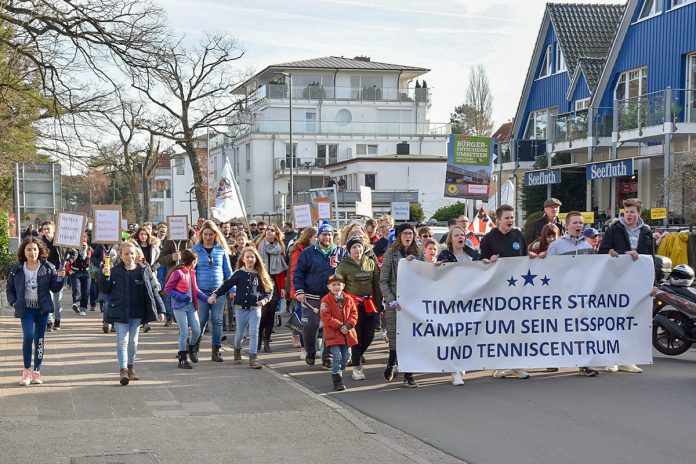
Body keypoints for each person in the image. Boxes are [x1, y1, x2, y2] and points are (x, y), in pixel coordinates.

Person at [599, 198, 654, 374]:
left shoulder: (646, 232)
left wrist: (654, 284)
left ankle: (627, 359)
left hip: (637, 284)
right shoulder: (614, 228)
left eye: (632, 212)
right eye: (626, 212)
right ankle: (611, 359)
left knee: (632, 321)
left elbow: (652, 259)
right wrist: (618, 253)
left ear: (639, 213)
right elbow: (602, 251)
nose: (628, 215)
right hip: (615, 282)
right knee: (613, 321)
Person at [99, 241, 166, 385]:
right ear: (121, 256)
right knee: (122, 340)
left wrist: (161, 309)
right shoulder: (115, 270)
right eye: (126, 254)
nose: (129, 256)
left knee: (133, 341)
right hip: (119, 310)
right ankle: (123, 370)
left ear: (136, 255)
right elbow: (105, 290)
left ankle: (131, 367)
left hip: (137, 311)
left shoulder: (143, 270)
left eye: (131, 253)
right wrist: (104, 275)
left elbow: (153, 290)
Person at [545, 211, 599, 377]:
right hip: (561, 295)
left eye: (581, 223)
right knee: (558, 329)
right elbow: (548, 270)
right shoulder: (556, 246)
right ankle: (553, 360)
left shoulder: (588, 247)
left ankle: (584, 364)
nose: (578, 226)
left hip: (582, 295)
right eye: (575, 223)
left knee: (582, 330)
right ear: (567, 225)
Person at [479, 205, 530, 379]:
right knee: (501, 330)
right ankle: (500, 365)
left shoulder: (518, 235)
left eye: (512, 218)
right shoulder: (488, 238)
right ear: (498, 220)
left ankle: (516, 365)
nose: (510, 221)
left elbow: (524, 257)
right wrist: (488, 260)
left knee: (518, 329)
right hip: (498, 293)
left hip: (518, 292)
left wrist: (534, 257)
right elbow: (480, 262)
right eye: (506, 218)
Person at [7, 237, 66, 386]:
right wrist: (14, 302)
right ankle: (26, 371)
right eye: (28, 249)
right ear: (24, 251)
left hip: (42, 309)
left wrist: (60, 278)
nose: (32, 252)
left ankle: (37, 371)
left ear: (39, 251)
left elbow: (55, 288)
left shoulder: (48, 267)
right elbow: (10, 288)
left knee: (39, 339)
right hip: (26, 308)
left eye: (35, 249)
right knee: (28, 337)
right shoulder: (17, 270)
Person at [209, 246, 274, 369]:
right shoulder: (239, 274)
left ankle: (253, 358)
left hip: (255, 309)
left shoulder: (261, 274)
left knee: (254, 333)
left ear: (256, 259)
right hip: (240, 309)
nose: (250, 259)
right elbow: (226, 285)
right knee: (240, 334)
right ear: (243, 259)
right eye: (247, 257)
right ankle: (237, 350)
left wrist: (264, 300)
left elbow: (269, 290)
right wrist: (215, 294)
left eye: (252, 257)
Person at [293, 221, 346, 368]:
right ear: (318, 236)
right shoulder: (308, 252)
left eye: (329, 234)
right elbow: (298, 273)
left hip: (332, 297)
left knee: (331, 327)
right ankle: (310, 351)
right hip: (311, 296)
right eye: (324, 234)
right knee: (310, 326)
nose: (327, 237)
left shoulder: (340, 252)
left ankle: (327, 357)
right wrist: (299, 290)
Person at [379, 223, 421, 387]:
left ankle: (408, 374)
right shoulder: (391, 253)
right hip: (395, 303)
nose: (408, 236)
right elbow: (383, 281)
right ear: (398, 236)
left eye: (410, 233)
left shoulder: (418, 253)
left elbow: (426, 273)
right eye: (404, 233)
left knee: (410, 338)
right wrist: (391, 300)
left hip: (413, 303)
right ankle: (391, 361)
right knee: (395, 337)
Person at [336, 235, 382, 381]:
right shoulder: (343, 265)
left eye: (359, 246)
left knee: (369, 335)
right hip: (352, 306)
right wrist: (340, 306)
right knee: (357, 336)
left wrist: (379, 305)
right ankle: (357, 367)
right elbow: (338, 287)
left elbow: (376, 284)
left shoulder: (370, 262)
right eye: (354, 247)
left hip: (369, 304)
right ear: (349, 250)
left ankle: (356, 354)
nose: (358, 249)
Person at [191, 220, 233, 362]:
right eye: (206, 234)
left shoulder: (221, 250)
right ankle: (195, 348)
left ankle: (216, 351)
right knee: (201, 321)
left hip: (218, 291)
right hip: (201, 292)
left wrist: (232, 288)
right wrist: (193, 290)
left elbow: (228, 271)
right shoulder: (195, 250)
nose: (208, 237)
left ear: (215, 234)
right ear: (201, 235)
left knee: (217, 320)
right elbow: (192, 272)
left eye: (211, 234)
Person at [163, 249, 205, 369]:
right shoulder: (178, 273)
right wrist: (181, 297)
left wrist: (207, 298)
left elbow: (195, 290)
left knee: (197, 330)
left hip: (192, 306)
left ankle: (191, 348)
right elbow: (168, 289)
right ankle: (182, 358)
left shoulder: (191, 272)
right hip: (179, 307)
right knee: (184, 333)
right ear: (192, 261)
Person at [320, 274, 358, 391]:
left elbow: (354, 314)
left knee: (346, 357)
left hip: (347, 333)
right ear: (329, 287)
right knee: (336, 356)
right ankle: (337, 380)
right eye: (334, 285)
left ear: (343, 286)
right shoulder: (325, 300)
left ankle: (339, 371)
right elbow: (326, 316)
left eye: (339, 284)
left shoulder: (348, 299)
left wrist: (348, 325)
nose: (336, 287)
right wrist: (339, 325)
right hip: (333, 334)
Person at [256, 224, 287, 353]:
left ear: (276, 233)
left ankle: (267, 342)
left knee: (270, 315)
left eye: (272, 230)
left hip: (274, 284)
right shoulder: (258, 245)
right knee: (261, 315)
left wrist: (283, 288)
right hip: (260, 282)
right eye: (268, 229)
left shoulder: (280, 248)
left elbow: (281, 272)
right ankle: (257, 342)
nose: (269, 231)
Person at [287, 227, 317, 358]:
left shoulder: (317, 250)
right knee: (304, 321)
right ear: (308, 238)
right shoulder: (298, 251)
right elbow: (294, 273)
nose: (317, 240)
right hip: (300, 292)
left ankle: (313, 347)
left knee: (314, 322)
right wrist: (298, 292)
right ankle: (305, 349)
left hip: (313, 291)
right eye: (315, 237)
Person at [131, 226, 161, 332]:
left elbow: (159, 260)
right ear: (138, 235)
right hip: (137, 273)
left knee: (148, 296)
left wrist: (152, 269)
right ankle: (142, 322)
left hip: (150, 274)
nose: (143, 236)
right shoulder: (134, 246)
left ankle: (145, 322)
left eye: (145, 234)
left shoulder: (153, 247)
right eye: (141, 234)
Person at [40, 221, 63, 331]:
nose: (46, 231)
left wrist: (68, 262)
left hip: (58, 274)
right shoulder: (41, 244)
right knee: (47, 298)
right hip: (45, 274)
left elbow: (73, 252)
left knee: (57, 300)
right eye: (44, 229)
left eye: (48, 229)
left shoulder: (60, 242)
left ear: (54, 230)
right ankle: (49, 321)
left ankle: (57, 320)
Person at [65, 232, 93, 316]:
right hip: (75, 271)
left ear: (87, 239)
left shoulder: (90, 249)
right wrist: (69, 269)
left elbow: (95, 258)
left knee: (86, 291)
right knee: (76, 290)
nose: (83, 240)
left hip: (86, 272)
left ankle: (83, 308)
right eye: (81, 238)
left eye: (84, 237)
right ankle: (76, 304)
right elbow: (66, 260)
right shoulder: (73, 249)